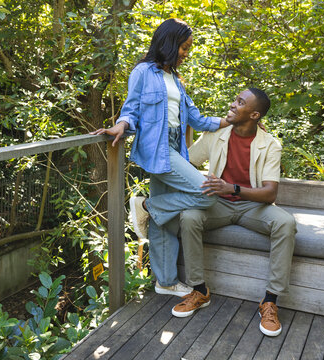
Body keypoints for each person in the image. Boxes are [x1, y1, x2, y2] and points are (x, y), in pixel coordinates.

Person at [91, 18, 229, 298]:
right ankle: (147, 205)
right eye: (184, 47)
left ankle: (165, 281)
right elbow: (131, 109)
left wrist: (234, 121)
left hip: (176, 148)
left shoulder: (176, 80)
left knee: (164, 218)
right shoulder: (142, 72)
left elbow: (197, 119)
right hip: (158, 149)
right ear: (169, 41)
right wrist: (121, 125)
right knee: (208, 193)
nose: (186, 53)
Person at [172, 88, 297, 337]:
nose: (232, 104)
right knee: (189, 217)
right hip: (217, 204)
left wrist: (233, 188)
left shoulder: (270, 145)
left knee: (286, 223)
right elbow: (187, 162)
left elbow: (270, 193)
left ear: (254, 114)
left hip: (253, 207)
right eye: (235, 99)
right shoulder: (215, 133)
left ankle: (270, 302)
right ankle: (200, 291)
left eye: (240, 102)